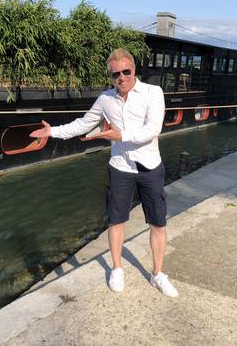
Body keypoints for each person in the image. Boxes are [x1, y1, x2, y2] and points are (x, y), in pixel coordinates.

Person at [30, 48, 178, 297]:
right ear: (110, 76)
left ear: (134, 70)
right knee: (116, 220)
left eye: (126, 71)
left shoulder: (153, 93)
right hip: (121, 166)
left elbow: (153, 129)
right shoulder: (105, 99)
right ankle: (117, 268)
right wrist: (52, 132)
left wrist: (119, 135)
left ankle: (158, 274)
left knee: (158, 223)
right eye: (115, 74)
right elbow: (84, 124)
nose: (121, 77)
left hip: (150, 166)